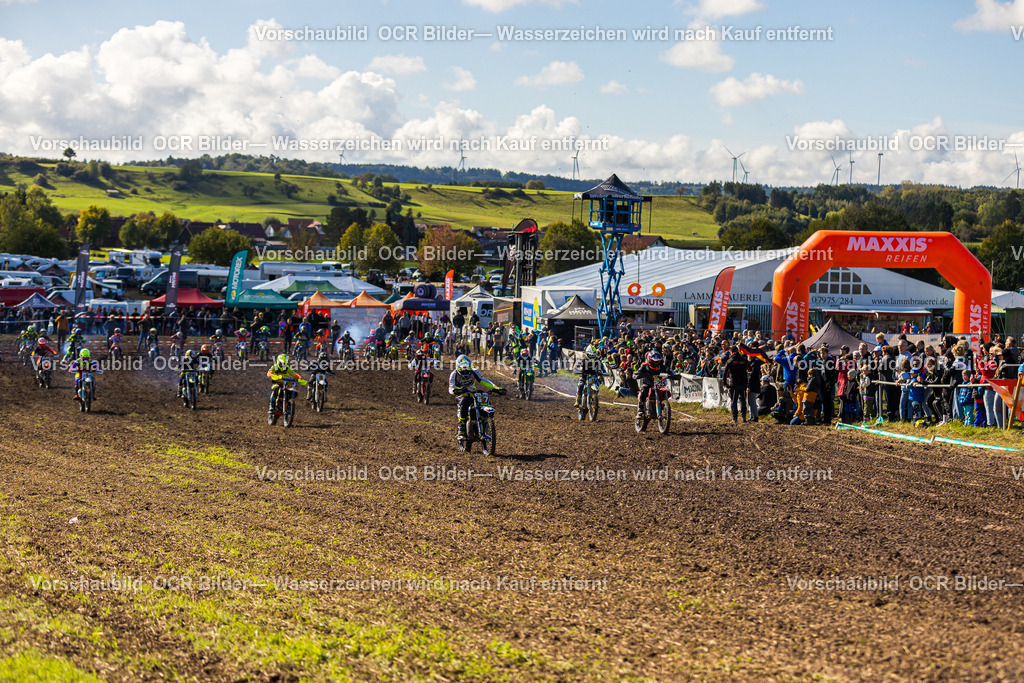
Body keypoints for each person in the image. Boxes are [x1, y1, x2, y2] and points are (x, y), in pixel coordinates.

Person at [448, 354, 505, 439]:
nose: (465, 372)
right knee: (464, 403)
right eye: (463, 371)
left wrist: (495, 388)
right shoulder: (454, 374)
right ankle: (461, 430)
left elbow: (482, 380)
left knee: (484, 399)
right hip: (461, 394)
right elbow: (451, 387)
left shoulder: (474, 371)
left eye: (467, 370)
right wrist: (456, 390)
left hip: (473, 393)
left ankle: (485, 421)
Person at [634, 350, 681, 419]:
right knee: (644, 390)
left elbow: (670, 371)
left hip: (659, 384)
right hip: (648, 383)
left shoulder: (662, 366)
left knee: (666, 391)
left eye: (657, 362)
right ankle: (640, 409)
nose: (656, 363)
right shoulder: (645, 366)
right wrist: (639, 375)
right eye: (654, 362)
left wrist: (675, 375)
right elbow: (636, 374)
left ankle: (663, 408)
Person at [723, 346, 750, 424]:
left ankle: (735, 418)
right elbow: (749, 369)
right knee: (743, 400)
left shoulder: (730, 361)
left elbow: (725, 373)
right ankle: (744, 417)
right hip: (743, 383)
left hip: (734, 384)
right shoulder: (744, 360)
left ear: (731, 352)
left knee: (734, 401)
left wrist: (725, 383)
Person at [573, 343, 605, 408]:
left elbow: (603, 368)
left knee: (597, 383)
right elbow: (576, 366)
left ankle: (595, 399)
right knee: (581, 385)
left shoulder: (597, 361)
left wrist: (603, 372)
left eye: (593, 356)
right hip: (584, 374)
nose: (592, 357)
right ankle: (578, 400)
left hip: (593, 374)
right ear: (587, 354)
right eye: (590, 356)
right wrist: (576, 370)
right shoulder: (582, 360)